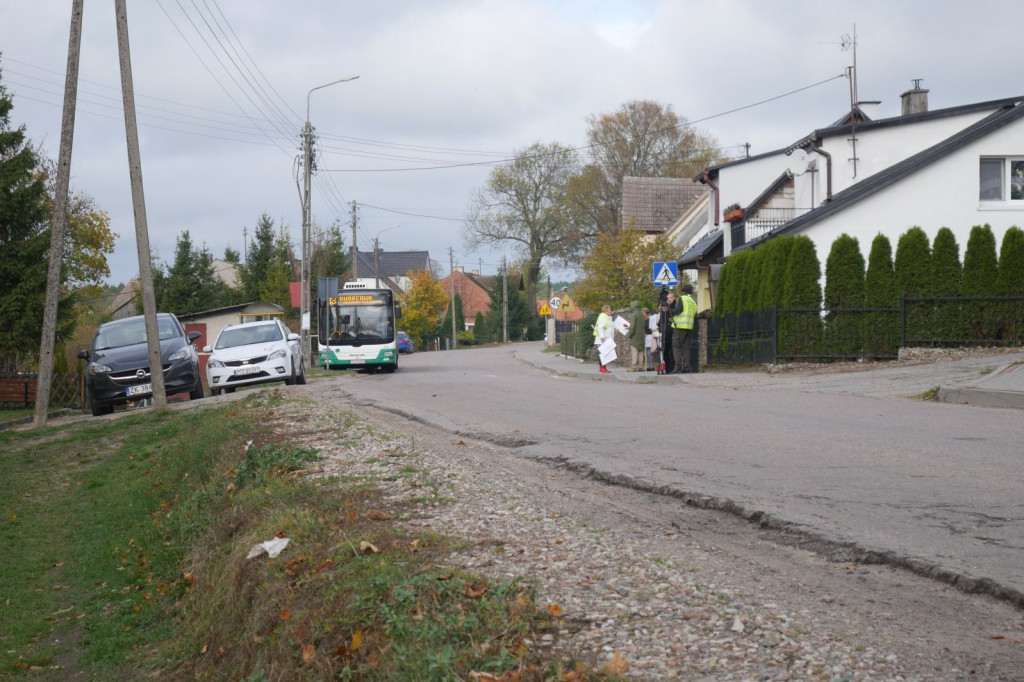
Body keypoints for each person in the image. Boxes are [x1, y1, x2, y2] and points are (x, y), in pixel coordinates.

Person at [670, 283, 698, 373]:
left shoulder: (682, 299)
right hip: (689, 327)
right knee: (686, 348)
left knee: (677, 346)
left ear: (683, 291)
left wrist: (669, 310)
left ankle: (677, 367)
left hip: (679, 327)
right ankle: (686, 367)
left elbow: (678, 310)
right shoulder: (693, 301)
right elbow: (694, 313)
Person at [660, 292, 679, 373]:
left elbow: (677, 316)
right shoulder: (664, 307)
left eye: (670, 297)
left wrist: (672, 320)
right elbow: (661, 320)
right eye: (667, 298)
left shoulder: (676, 307)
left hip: (672, 332)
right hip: (665, 333)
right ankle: (667, 368)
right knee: (665, 352)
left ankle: (672, 368)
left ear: (674, 298)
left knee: (672, 352)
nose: (668, 299)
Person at [592, 304, 613, 374]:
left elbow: (609, 328)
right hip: (601, 339)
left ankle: (604, 368)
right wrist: (602, 337)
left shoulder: (607, 317)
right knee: (602, 354)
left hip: (606, 339)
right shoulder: (603, 317)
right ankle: (602, 369)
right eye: (609, 310)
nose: (611, 311)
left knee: (605, 354)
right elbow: (600, 328)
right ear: (606, 310)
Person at [627, 301, 645, 372]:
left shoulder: (633, 315)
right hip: (641, 336)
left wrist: (629, 334)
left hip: (635, 336)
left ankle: (633, 367)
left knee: (634, 352)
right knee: (641, 352)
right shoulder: (642, 314)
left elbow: (632, 327)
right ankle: (641, 366)